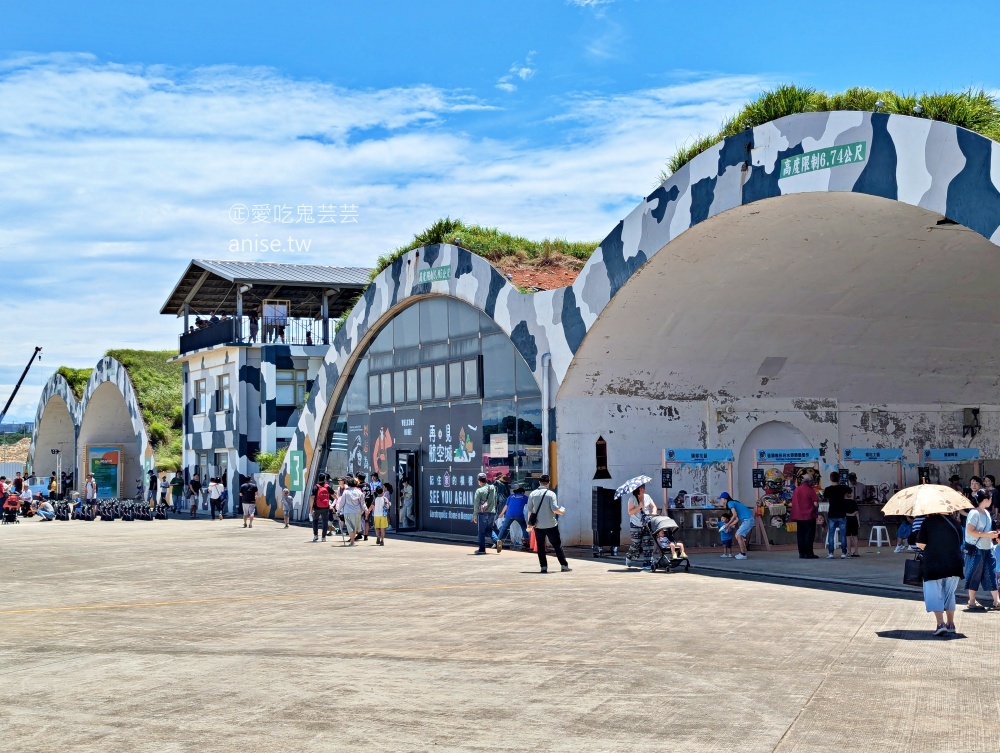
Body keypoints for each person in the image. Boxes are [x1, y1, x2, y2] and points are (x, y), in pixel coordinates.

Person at [916, 512, 964, 635]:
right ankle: (951, 624)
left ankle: (940, 624)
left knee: (934, 593)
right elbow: (960, 542)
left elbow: (921, 544)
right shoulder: (956, 523)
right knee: (950, 594)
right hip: (954, 563)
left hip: (934, 563)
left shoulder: (928, 522)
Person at [963, 490, 1000, 611]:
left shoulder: (987, 513)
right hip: (977, 549)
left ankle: (997, 601)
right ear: (986, 500)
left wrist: (992, 535)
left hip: (988, 548)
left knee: (991, 574)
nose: (991, 501)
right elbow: (970, 531)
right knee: (974, 574)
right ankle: (972, 601)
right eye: (990, 498)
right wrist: (987, 535)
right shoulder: (974, 513)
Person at [526, 474, 570, 573]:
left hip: (538, 526)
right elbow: (554, 509)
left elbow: (529, 510)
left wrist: (529, 524)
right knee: (557, 545)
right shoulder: (551, 494)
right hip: (551, 525)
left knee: (541, 547)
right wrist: (562, 512)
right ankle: (564, 565)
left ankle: (543, 567)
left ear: (539, 482)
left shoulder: (533, 494)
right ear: (548, 483)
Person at [625, 483, 657, 568]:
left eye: (643, 487)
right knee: (636, 543)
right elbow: (630, 512)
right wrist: (639, 507)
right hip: (635, 523)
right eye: (641, 488)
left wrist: (653, 512)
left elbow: (653, 506)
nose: (643, 489)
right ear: (637, 489)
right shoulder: (632, 499)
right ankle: (629, 556)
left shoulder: (647, 497)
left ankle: (648, 562)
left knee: (648, 543)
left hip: (646, 523)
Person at [790, 476, 819, 559]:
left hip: (798, 515)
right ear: (809, 481)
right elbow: (815, 503)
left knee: (800, 534)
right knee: (809, 534)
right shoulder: (810, 490)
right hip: (809, 515)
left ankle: (801, 553)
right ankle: (808, 553)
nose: (813, 482)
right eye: (812, 481)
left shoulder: (797, 490)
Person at [823, 472, 850, 559]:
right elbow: (850, 490)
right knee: (843, 534)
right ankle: (843, 553)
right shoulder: (843, 488)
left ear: (830, 479)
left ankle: (831, 553)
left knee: (831, 534)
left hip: (832, 514)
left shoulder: (828, 489)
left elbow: (825, 497)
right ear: (839, 479)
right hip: (842, 513)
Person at [721, 492, 754, 560]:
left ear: (724, 499)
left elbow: (734, 515)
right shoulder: (734, 502)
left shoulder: (730, 503)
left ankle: (743, 554)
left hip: (748, 520)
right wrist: (729, 525)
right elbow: (737, 519)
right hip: (748, 520)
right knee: (738, 536)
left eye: (721, 499)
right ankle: (742, 552)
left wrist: (727, 524)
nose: (721, 501)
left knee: (738, 536)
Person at [496, 484, 530, 550]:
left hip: (509, 514)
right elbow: (530, 505)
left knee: (504, 528)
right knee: (524, 528)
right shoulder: (524, 497)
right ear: (522, 492)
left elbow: (506, 506)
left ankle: (497, 543)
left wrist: (501, 514)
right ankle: (526, 543)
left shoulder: (511, 496)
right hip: (519, 515)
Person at [473, 472, 500, 554]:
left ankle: (482, 549)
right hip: (492, 512)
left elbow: (476, 504)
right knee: (489, 529)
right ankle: (497, 541)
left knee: (481, 532)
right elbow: (496, 499)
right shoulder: (492, 488)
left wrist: (475, 515)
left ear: (479, 481)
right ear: (486, 479)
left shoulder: (479, 491)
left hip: (482, 513)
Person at [339, 478, 365, 546]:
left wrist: (338, 510)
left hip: (348, 512)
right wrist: (366, 510)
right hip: (357, 512)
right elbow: (362, 503)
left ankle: (352, 541)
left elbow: (342, 502)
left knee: (350, 527)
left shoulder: (346, 492)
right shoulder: (359, 492)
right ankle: (353, 541)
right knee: (355, 527)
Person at [310, 475, 332, 542]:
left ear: (318, 479)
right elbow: (334, 495)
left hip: (317, 507)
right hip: (325, 507)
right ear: (325, 479)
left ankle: (315, 536)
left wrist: (311, 508)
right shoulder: (327, 486)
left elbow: (312, 497)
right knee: (325, 522)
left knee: (315, 521)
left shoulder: (316, 487)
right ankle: (323, 537)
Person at [845, 489, 861, 557]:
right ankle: (856, 552)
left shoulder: (843, 502)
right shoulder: (854, 502)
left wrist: (848, 514)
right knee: (855, 536)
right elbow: (857, 512)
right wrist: (858, 522)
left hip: (846, 520)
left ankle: (849, 552)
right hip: (854, 520)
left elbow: (843, 513)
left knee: (848, 537)